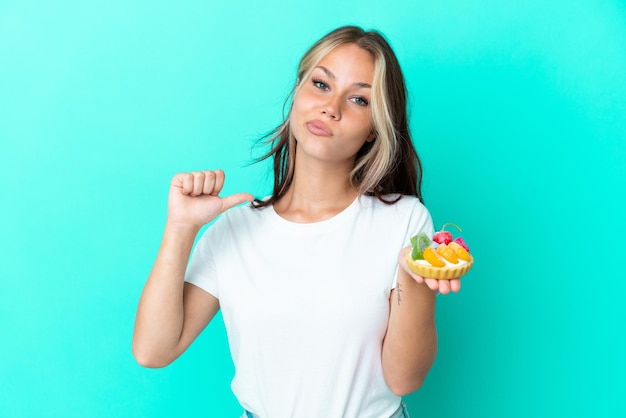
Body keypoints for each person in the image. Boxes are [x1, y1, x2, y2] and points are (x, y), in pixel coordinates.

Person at [132, 25, 462, 418]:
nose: (331, 107)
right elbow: (153, 351)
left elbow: (404, 380)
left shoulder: (404, 220)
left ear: (375, 128)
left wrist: (415, 274)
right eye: (321, 85)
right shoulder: (234, 231)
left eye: (358, 99)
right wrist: (181, 228)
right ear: (298, 94)